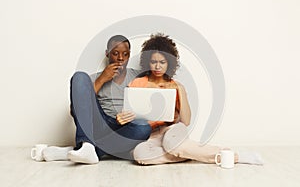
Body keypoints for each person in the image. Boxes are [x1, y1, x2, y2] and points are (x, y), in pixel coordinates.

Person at [121, 33, 264, 165]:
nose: (157, 66)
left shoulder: (175, 85)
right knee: (139, 155)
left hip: (172, 130)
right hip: (151, 135)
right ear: (148, 62)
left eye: (162, 62)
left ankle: (233, 156)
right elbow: (127, 112)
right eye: (153, 62)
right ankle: (189, 153)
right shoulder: (137, 83)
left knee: (172, 143)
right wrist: (123, 117)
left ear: (169, 62)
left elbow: (186, 121)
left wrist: (180, 90)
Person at [42, 35, 152, 164]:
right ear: (107, 54)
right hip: (99, 125)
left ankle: (82, 150)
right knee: (79, 76)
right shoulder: (93, 79)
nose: (120, 58)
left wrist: (131, 116)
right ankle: (87, 144)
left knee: (144, 128)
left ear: (129, 55)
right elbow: (75, 111)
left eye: (125, 54)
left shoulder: (138, 76)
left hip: (124, 129)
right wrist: (102, 79)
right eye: (115, 53)